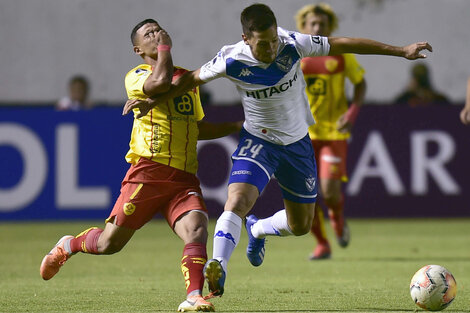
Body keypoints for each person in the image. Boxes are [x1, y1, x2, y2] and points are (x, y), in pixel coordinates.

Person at [122, 3, 432, 300]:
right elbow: (189, 79)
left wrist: (400, 51)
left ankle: (258, 229)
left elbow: (345, 43)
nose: (271, 49)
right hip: (259, 141)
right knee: (238, 200)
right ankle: (218, 265)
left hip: (297, 144)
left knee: (300, 226)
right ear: (246, 39)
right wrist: (153, 101)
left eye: (273, 41)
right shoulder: (231, 59)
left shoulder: (293, 43)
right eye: (263, 44)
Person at [40, 19, 242, 312]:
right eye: (149, 34)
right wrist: (165, 48)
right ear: (138, 49)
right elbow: (159, 84)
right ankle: (68, 245)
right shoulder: (136, 76)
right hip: (148, 172)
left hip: (183, 177)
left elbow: (197, 128)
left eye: (159, 29)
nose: (157, 34)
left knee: (197, 227)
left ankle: (194, 296)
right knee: (110, 244)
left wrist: (239, 125)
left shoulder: (187, 81)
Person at [294, 3, 366, 260]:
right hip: (302, 134)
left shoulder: (341, 54)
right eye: (312, 24)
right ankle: (322, 243)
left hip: (334, 133)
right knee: (307, 195)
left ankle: (337, 217)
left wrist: (351, 114)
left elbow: (360, 84)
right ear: (303, 27)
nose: (317, 28)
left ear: (329, 27)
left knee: (329, 190)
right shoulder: (295, 55)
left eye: (322, 24)